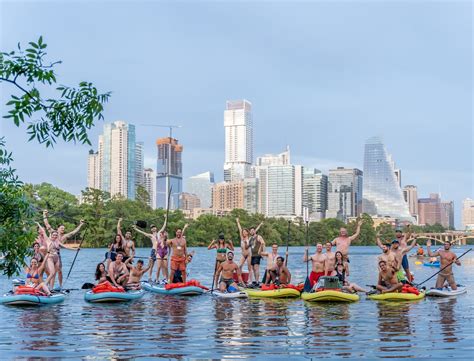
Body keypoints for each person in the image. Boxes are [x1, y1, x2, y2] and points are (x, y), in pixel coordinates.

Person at [42, 210, 85, 289]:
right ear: (57, 229)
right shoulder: (53, 232)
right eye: (61, 228)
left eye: (64, 228)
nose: (63, 229)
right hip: (50, 254)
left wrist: (81, 224)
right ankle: (48, 286)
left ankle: (60, 286)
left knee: (59, 271)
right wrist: (44, 214)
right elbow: (47, 224)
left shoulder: (64, 236)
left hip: (57, 255)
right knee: (51, 272)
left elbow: (74, 232)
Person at [133, 215, 168, 283]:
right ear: (151, 230)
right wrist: (135, 228)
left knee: (162, 265)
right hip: (154, 250)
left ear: (156, 228)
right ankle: (149, 277)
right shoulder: (151, 235)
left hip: (160, 251)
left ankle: (164, 278)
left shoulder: (159, 233)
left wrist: (165, 218)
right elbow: (142, 232)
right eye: (152, 228)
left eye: (154, 227)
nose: (153, 228)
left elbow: (164, 226)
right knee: (151, 265)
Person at [246, 221, 265, 286]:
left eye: (253, 230)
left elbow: (263, 243)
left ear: (255, 231)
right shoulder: (250, 238)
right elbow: (247, 246)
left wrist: (262, 253)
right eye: (250, 231)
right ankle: (255, 281)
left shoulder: (258, 237)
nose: (251, 232)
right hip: (252, 255)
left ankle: (257, 282)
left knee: (256, 268)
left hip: (257, 255)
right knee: (252, 269)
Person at [236, 218, 252, 282]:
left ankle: (250, 280)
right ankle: (240, 280)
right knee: (239, 266)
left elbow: (247, 247)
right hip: (243, 254)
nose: (244, 233)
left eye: (245, 232)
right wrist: (237, 222)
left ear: (247, 233)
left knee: (249, 268)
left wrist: (246, 243)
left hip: (248, 254)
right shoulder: (242, 238)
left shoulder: (250, 239)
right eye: (243, 232)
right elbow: (240, 229)